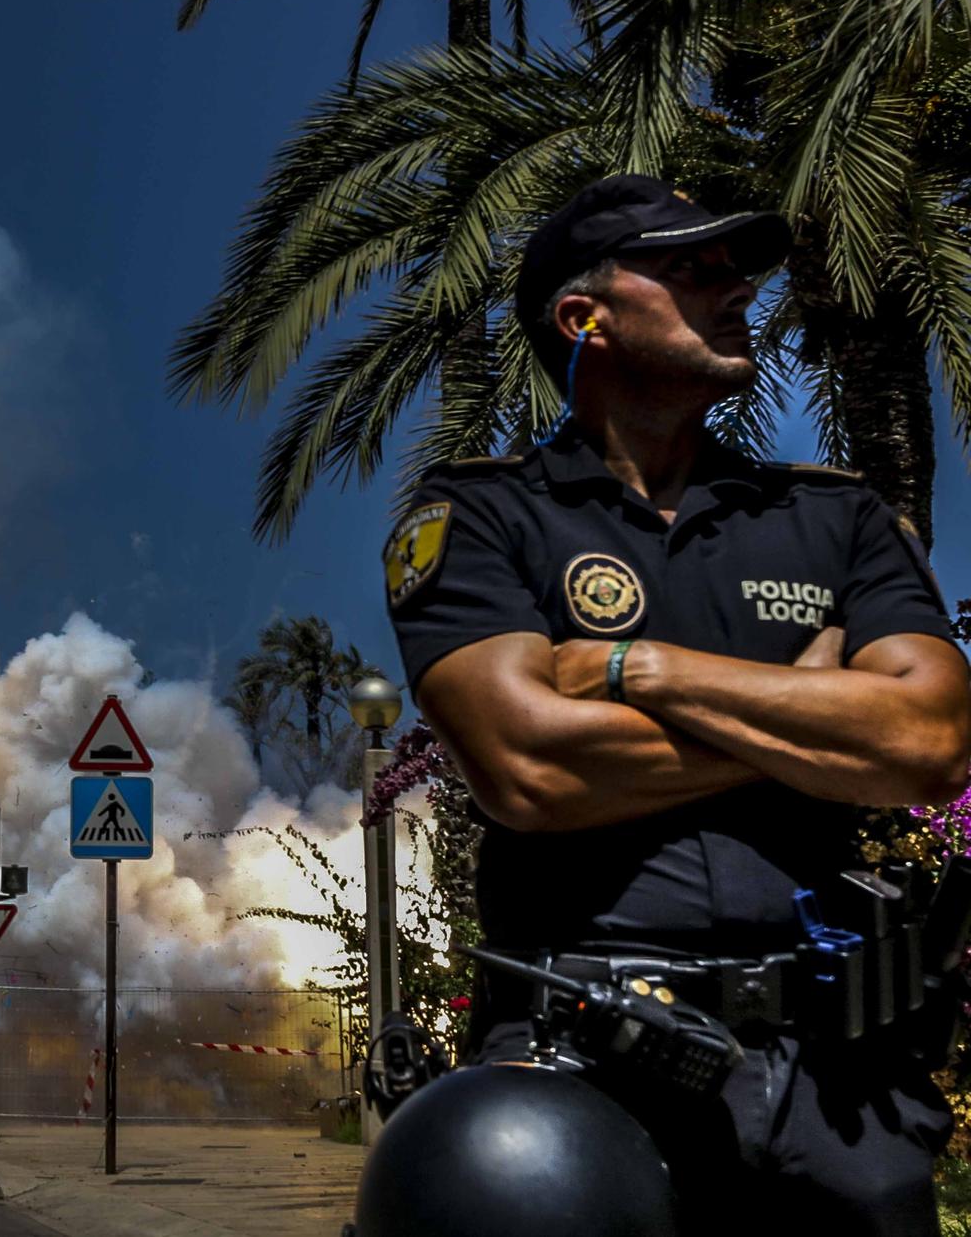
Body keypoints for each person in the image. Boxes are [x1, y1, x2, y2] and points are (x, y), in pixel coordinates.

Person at [383, 174, 971, 1235]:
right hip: (581, 1072)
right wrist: (810, 713)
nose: (732, 287)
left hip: (833, 1090)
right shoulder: (479, 518)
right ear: (582, 317)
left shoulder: (830, 520)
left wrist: (643, 670)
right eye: (687, 268)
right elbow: (529, 770)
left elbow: (928, 742)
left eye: (732, 267)